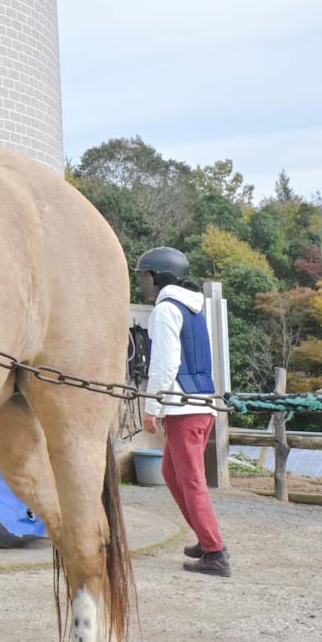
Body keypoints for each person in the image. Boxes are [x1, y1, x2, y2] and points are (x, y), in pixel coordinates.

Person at [136, 246, 231, 577]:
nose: (144, 284)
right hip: (200, 403)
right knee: (172, 474)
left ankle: (215, 553)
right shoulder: (192, 308)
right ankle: (208, 541)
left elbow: (165, 364)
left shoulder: (165, 311)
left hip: (182, 408)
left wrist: (151, 406)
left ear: (159, 277)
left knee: (191, 480)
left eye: (146, 276)